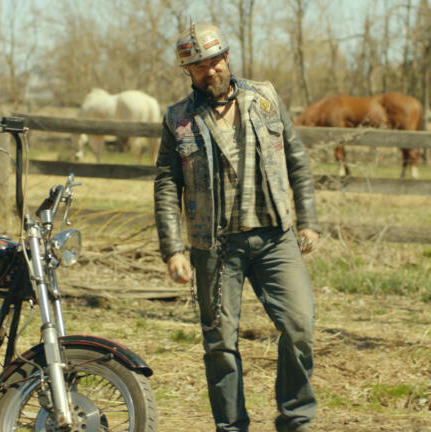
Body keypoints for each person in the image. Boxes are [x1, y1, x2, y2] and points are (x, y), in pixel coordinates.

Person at [153, 22, 320, 432]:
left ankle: (296, 419)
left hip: (275, 236)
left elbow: (297, 160)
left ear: (227, 57)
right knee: (220, 345)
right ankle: (231, 427)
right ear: (188, 72)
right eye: (199, 66)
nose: (209, 71)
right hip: (215, 247)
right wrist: (173, 249)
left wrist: (309, 221)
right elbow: (166, 184)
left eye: (214, 61)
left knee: (299, 327)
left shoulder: (265, 98)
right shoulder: (178, 119)